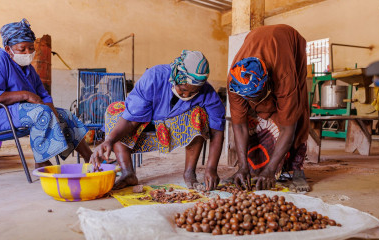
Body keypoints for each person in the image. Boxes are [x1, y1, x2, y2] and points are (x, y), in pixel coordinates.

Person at [90, 50, 226, 191]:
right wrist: (109, 141)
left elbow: (217, 131)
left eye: (193, 93)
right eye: (184, 89)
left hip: (174, 131)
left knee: (199, 114)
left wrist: (211, 168)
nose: (187, 95)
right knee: (115, 111)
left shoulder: (208, 93)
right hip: (143, 125)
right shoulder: (154, 77)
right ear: (176, 77)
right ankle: (127, 172)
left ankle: (189, 173)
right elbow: (131, 120)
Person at [0, 19, 92, 168]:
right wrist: (25, 95)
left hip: (21, 113)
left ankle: (91, 158)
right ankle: (41, 163)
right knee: (41, 112)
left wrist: (54, 115)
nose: (28, 53)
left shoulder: (28, 69)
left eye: (31, 48)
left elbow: (44, 96)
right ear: (8, 49)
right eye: (22, 49)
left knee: (64, 115)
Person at [227, 24, 310, 192]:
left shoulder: (283, 76)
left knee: (296, 109)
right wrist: (241, 166)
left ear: (267, 85)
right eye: (247, 98)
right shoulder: (235, 81)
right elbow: (239, 125)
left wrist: (270, 171)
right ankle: (250, 169)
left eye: (255, 98)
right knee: (250, 119)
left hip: (288, 42)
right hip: (256, 38)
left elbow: (288, 127)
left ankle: (296, 169)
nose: (252, 103)